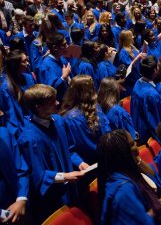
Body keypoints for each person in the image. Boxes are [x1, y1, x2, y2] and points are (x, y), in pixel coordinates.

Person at [18, 84, 85, 223]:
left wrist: (80, 163)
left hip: (70, 188)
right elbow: (38, 175)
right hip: (51, 197)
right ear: (38, 107)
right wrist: (64, 176)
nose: (58, 103)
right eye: (52, 101)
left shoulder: (59, 121)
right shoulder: (29, 138)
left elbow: (70, 148)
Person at [97, 130, 161, 225]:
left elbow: (153, 175)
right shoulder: (123, 190)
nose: (137, 146)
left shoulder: (128, 172)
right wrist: (156, 208)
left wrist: (159, 203)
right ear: (123, 154)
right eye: (133, 144)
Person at [60, 75, 111, 168]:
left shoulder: (66, 118)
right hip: (103, 163)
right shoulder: (97, 110)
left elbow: (66, 147)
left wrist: (79, 162)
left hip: (84, 166)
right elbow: (108, 136)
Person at [0, 111, 29, 224]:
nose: (2, 114)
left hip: (19, 205)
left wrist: (21, 198)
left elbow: (21, 168)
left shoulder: (4, 134)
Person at [0, 50, 35, 136]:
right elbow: (11, 117)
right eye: (24, 61)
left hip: (35, 120)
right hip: (23, 128)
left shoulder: (29, 78)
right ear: (15, 66)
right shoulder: (5, 88)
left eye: (27, 60)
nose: (27, 63)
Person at [38, 33, 71, 101]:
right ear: (55, 48)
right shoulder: (46, 66)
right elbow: (49, 91)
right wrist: (63, 77)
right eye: (64, 45)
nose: (67, 46)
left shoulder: (62, 58)